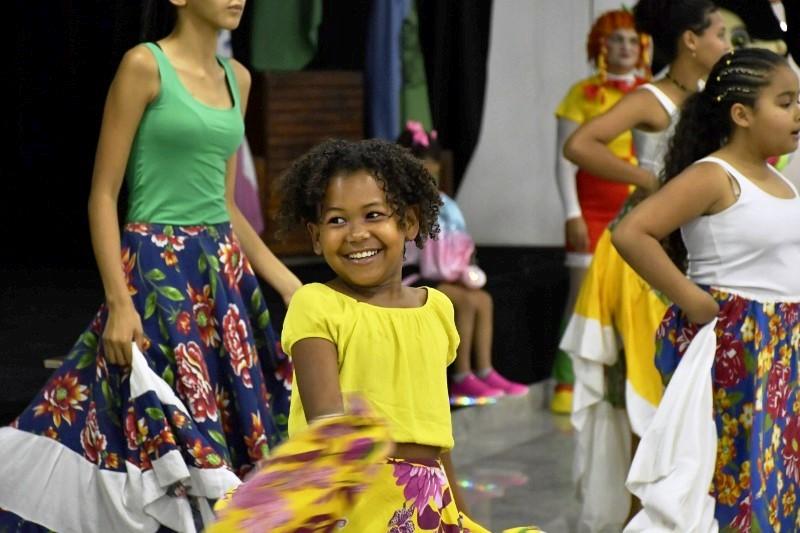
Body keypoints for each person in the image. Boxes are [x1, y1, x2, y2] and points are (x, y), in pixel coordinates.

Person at [0, 0, 302, 531]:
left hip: (222, 276)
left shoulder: (239, 78)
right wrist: (119, 301)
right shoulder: (144, 65)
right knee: (165, 415)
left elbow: (226, 205)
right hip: (157, 268)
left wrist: (289, 283)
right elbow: (102, 194)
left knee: (230, 422)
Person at [614, 47, 800, 532]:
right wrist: (694, 299)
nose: (798, 112)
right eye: (785, 101)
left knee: (777, 475)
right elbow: (632, 232)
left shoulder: (779, 179)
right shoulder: (713, 175)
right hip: (740, 344)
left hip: (783, 345)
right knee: (735, 478)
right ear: (742, 114)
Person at [560, 0, 730, 530]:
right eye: (721, 33)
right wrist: (649, 181)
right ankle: (641, 513)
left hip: (696, 246)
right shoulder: (652, 99)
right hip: (644, 249)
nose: (729, 44)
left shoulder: (715, 100)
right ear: (690, 41)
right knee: (645, 384)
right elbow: (579, 144)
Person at [272, 138, 491, 531]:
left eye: (373, 215)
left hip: (425, 505)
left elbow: (436, 436)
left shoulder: (438, 309)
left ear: (408, 222)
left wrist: (460, 512)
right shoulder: (316, 305)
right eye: (337, 220)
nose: (356, 234)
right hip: (351, 505)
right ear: (316, 236)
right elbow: (329, 430)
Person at [551, 9, 650, 414]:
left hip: (638, 207)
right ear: (600, 45)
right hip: (590, 206)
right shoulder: (580, 93)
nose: (624, 47)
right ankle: (567, 381)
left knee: (636, 295)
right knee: (581, 296)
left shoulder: (650, 93)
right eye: (616, 39)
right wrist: (571, 212)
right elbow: (564, 159)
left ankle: (629, 379)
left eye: (632, 39)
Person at [398, 121, 529, 400]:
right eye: (422, 165)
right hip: (409, 275)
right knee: (466, 301)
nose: (429, 170)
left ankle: (485, 370)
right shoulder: (400, 204)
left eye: (433, 165)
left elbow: (457, 241)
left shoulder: (443, 202)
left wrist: (463, 267)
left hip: (441, 274)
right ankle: (461, 375)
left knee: (483, 299)